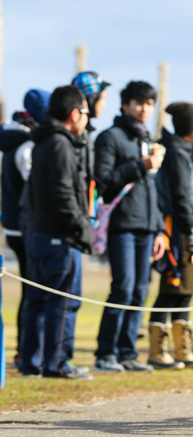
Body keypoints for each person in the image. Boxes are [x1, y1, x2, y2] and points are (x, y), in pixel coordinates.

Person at [19, 85, 93, 379]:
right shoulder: (61, 145)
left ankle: (31, 362)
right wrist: (81, 227)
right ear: (75, 114)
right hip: (60, 238)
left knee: (37, 302)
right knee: (63, 302)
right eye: (85, 113)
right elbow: (64, 194)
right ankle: (57, 363)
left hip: (38, 234)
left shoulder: (43, 142)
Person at [93, 81, 165, 373]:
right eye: (138, 103)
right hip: (121, 225)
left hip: (148, 227)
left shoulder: (147, 138)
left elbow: (153, 189)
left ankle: (127, 353)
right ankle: (105, 354)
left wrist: (159, 229)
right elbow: (104, 181)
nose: (145, 108)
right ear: (124, 105)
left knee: (139, 290)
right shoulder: (110, 138)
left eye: (149, 103)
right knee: (122, 288)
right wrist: (140, 165)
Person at [145, 102, 193, 370]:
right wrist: (192, 238)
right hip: (180, 231)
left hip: (186, 230)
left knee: (186, 290)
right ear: (190, 129)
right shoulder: (178, 155)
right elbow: (182, 198)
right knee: (172, 288)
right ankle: (158, 352)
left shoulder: (183, 151)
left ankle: (183, 350)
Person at [0, 88, 51, 368]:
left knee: (30, 291)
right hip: (27, 228)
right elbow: (38, 186)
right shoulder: (27, 145)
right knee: (33, 292)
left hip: (14, 227)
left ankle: (27, 350)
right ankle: (26, 351)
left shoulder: (14, 139)